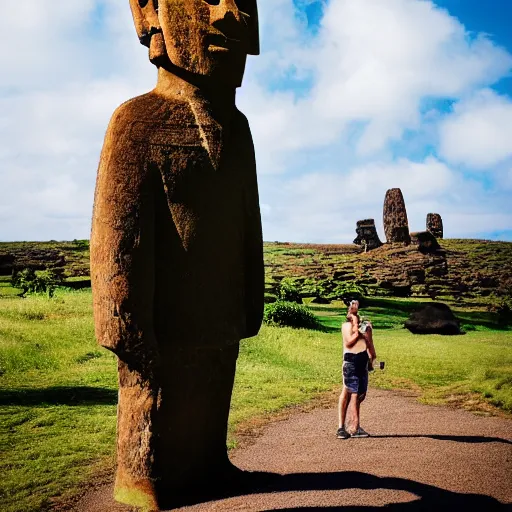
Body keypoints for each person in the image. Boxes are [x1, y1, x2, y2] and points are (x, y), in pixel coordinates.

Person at [337, 300, 377, 439]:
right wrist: (357, 329)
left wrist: (372, 358)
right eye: (352, 308)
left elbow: (369, 344)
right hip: (350, 361)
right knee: (351, 393)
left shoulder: (365, 327)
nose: (354, 310)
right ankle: (346, 427)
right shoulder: (346, 326)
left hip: (362, 361)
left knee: (359, 394)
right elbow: (349, 343)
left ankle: (352, 425)